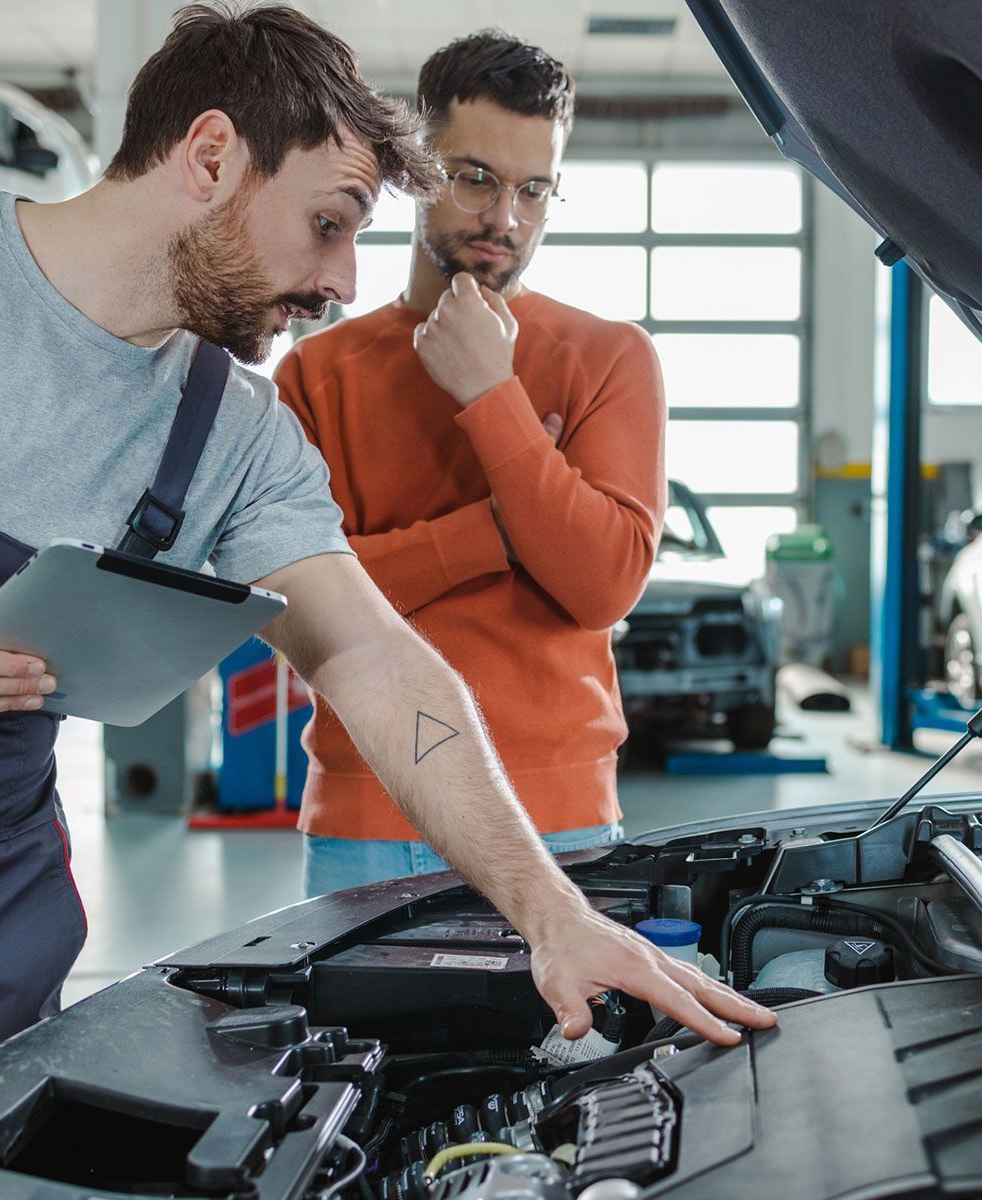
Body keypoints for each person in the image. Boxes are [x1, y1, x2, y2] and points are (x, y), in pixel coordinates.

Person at [0, 7, 769, 1196]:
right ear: (210, 156)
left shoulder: (233, 433)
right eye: (327, 225)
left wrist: (549, 908)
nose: (340, 282)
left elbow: (372, 656)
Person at [278, 32, 666, 896]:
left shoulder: (609, 358)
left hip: (562, 823)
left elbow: (601, 583)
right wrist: (500, 530)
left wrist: (491, 394)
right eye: (475, 177)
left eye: (535, 189)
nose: (506, 219)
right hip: (367, 820)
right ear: (415, 166)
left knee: (568, 1043)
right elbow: (304, 615)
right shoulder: (315, 373)